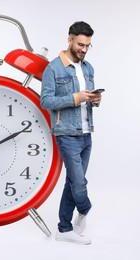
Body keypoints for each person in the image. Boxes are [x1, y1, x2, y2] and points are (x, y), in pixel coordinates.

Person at [40, 21, 102, 245]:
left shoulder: (88, 68)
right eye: (80, 44)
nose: (83, 49)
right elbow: (46, 101)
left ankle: (64, 229)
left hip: (86, 134)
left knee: (71, 182)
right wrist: (75, 98)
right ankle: (85, 208)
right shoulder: (53, 68)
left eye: (87, 46)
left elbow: (89, 99)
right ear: (69, 40)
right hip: (66, 134)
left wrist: (95, 99)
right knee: (79, 184)